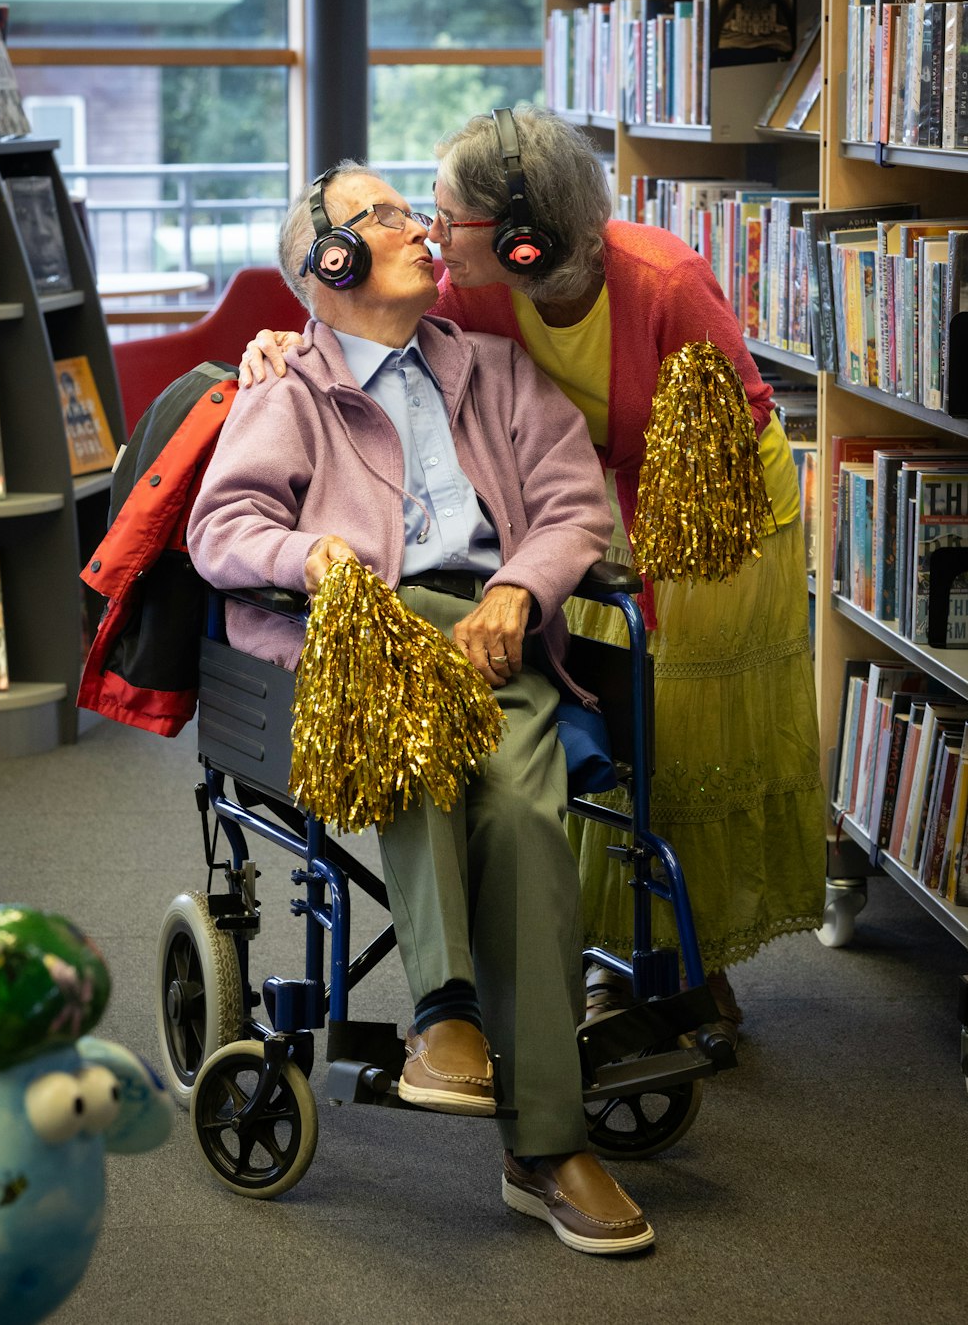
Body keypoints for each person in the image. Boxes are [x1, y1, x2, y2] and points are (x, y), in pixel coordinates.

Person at [239, 105, 827, 1046]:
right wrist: (272, 343)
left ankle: (693, 963)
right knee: (599, 704)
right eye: (418, 214)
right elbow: (347, 308)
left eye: (443, 214)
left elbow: (725, 428)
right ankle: (613, 957)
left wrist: (626, 550)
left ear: (520, 241)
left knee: (684, 730)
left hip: (713, 506)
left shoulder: (665, 280)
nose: (430, 233)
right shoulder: (469, 288)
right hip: (593, 496)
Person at [187, 160, 656, 1256]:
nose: (416, 227)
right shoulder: (287, 388)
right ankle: (449, 1016)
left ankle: (540, 1138)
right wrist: (318, 554)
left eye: (411, 209)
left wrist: (514, 590)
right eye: (385, 215)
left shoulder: (492, 364)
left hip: (494, 633)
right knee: (410, 725)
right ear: (329, 260)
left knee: (521, 811)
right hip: (362, 636)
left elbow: (573, 506)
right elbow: (222, 530)